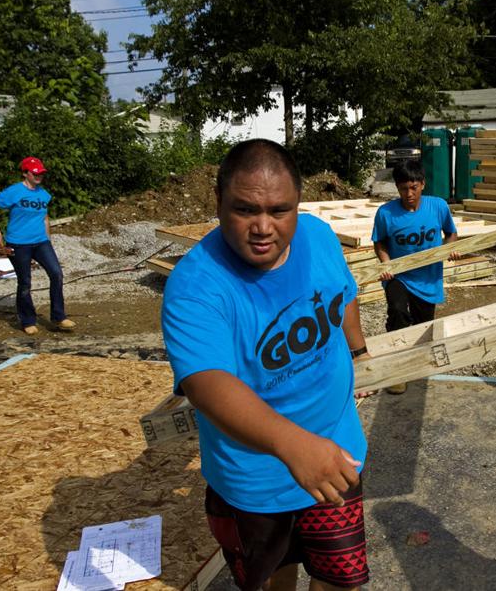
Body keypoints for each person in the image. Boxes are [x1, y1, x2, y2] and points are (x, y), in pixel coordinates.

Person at [161, 139, 371, 591]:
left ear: (298, 204)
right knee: (274, 578)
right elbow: (206, 383)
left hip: (336, 455)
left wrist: (358, 353)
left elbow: (344, 293)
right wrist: (293, 445)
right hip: (253, 482)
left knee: (341, 579)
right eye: (244, 210)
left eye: (279, 210)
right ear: (217, 203)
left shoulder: (317, 237)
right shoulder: (196, 285)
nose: (263, 227)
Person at [372, 159, 458, 395]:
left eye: (413, 187)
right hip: (398, 275)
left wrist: (449, 248)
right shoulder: (386, 213)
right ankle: (396, 371)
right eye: (402, 188)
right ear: (397, 188)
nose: (408, 194)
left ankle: (416, 366)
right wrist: (386, 264)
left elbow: (451, 234)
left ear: (422, 184)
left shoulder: (438, 206)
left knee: (423, 326)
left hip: (428, 278)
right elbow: (379, 242)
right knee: (398, 313)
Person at [0, 157, 75, 335]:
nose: (39, 176)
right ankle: (27, 320)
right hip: (19, 244)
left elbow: (44, 216)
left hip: (41, 242)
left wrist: (48, 239)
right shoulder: (14, 191)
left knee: (57, 274)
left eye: (41, 173)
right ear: (25, 173)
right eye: (35, 173)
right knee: (25, 282)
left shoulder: (43, 194)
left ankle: (59, 316)